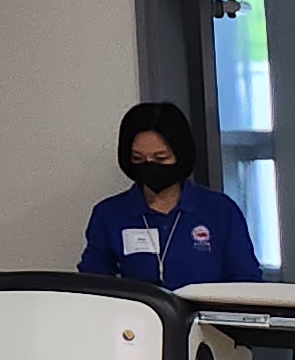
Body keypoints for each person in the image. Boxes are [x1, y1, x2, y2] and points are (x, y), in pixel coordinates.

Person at [80, 103, 263, 289]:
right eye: (138, 159)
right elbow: (93, 282)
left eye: (160, 158)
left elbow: (246, 281)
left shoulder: (219, 210)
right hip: (140, 308)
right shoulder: (109, 214)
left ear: (180, 155)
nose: (149, 165)